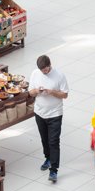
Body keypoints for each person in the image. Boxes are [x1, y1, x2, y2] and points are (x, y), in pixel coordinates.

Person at [29, 55, 68, 183]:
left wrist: (52, 92)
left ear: (49, 65)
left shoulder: (59, 75)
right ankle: (48, 158)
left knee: (54, 141)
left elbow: (65, 94)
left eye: (45, 70)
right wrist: (37, 91)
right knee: (44, 139)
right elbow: (30, 92)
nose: (44, 72)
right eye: (42, 70)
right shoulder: (35, 73)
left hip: (55, 114)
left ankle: (54, 170)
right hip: (40, 112)